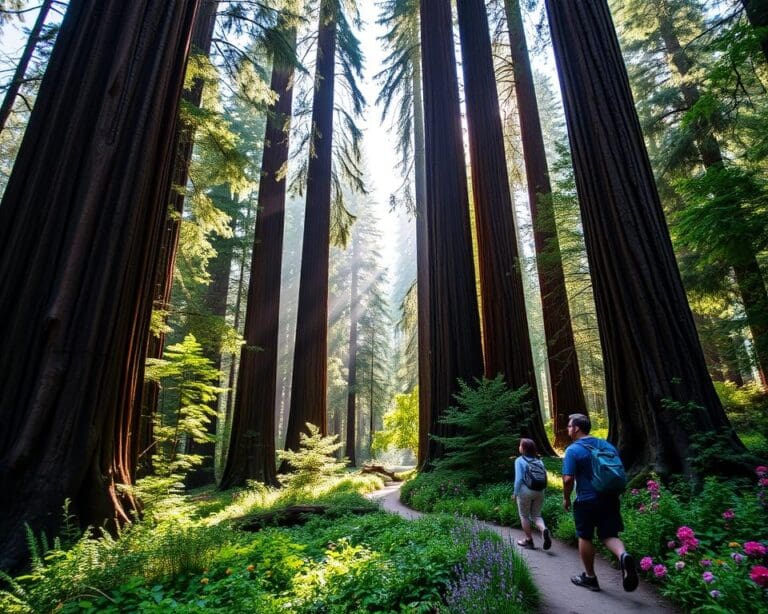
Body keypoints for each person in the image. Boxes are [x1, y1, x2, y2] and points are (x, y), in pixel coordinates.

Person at [562, 413, 638, 592]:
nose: (567, 429)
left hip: (586, 500)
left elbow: (567, 480)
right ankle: (623, 555)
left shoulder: (573, 450)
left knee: (585, 536)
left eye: (569, 426)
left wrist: (566, 498)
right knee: (609, 534)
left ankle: (590, 578)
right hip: (610, 497)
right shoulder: (607, 445)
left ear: (577, 428)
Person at [513, 438, 551, 550]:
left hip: (525, 491)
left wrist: (515, 493)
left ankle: (529, 541)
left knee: (524, 516)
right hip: (540, 491)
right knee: (536, 515)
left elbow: (519, 479)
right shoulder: (539, 461)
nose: (519, 447)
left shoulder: (519, 460)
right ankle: (544, 530)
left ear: (523, 448)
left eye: (520, 445)